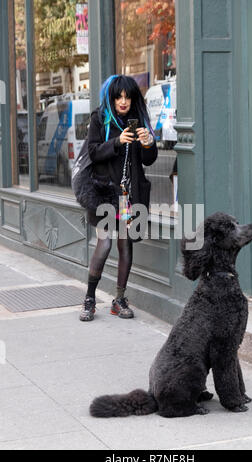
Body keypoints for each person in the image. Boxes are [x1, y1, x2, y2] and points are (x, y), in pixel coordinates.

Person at [80, 75, 158, 322]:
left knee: (126, 245)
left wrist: (148, 144)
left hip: (129, 196)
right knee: (104, 244)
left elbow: (148, 161)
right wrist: (116, 141)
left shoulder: (138, 121)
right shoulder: (100, 119)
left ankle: (119, 299)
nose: (123, 101)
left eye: (128, 97)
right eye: (119, 97)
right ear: (111, 98)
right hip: (105, 193)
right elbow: (92, 152)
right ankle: (90, 299)